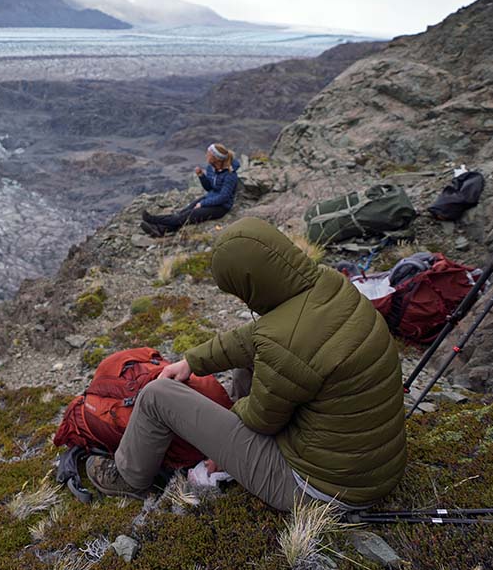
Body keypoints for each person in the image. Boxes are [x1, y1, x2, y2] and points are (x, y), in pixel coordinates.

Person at [86, 217, 407, 511]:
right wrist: (192, 362)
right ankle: (228, 446)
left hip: (318, 490)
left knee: (158, 396)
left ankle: (128, 479)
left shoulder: (283, 343)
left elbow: (262, 419)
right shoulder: (330, 285)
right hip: (367, 468)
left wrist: (225, 429)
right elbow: (256, 338)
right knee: (251, 363)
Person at [141, 143, 239, 237]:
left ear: (215, 158)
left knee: (187, 216)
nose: (206, 155)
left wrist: (203, 204)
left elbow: (224, 197)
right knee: (183, 213)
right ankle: (160, 230)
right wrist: (201, 176)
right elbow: (209, 188)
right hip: (210, 197)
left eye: (208, 154)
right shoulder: (211, 168)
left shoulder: (230, 175)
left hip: (221, 207)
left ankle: (152, 219)